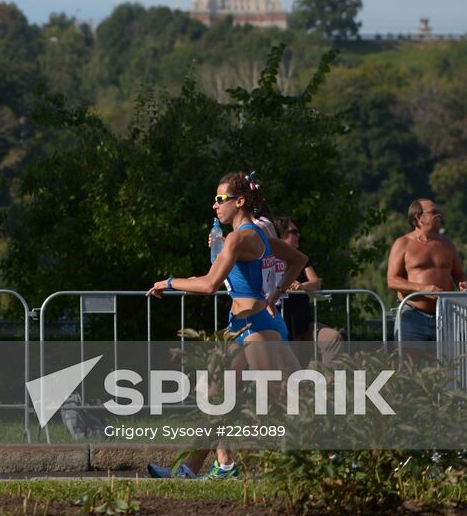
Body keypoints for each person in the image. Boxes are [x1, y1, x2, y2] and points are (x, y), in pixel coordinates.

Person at [146, 172, 307, 479]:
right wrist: (275, 294)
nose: (215, 206)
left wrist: (168, 281)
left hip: (257, 328)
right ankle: (193, 469)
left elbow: (209, 285)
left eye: (221, 199)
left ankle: (337, 460)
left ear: (240, 201)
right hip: (243, 326)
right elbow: (299, 260)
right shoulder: (256, 237)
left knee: (286, 400)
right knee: (215, 395)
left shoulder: (241, 237)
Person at [386, 198, 467, 346]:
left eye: (438, 212)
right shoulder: (403, 243)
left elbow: (458, 273)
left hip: (445, 315)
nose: (439, 215)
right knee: (410, 366)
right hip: (412, 316)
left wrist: (462, 282)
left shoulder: (447, 243)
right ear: (419, 217)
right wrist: (422, 289)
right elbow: (392, 280)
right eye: (434, 212)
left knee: (448, 365)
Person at [271, 216, 342, 362]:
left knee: (333, 338)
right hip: (280, 325)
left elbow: (316, 282)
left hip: (303, 325)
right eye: (293, 232)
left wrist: (301, 286)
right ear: (280, 236)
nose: (298, 235)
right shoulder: (269, 261)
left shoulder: (301, 260)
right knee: (289, 362)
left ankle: (329, 382)